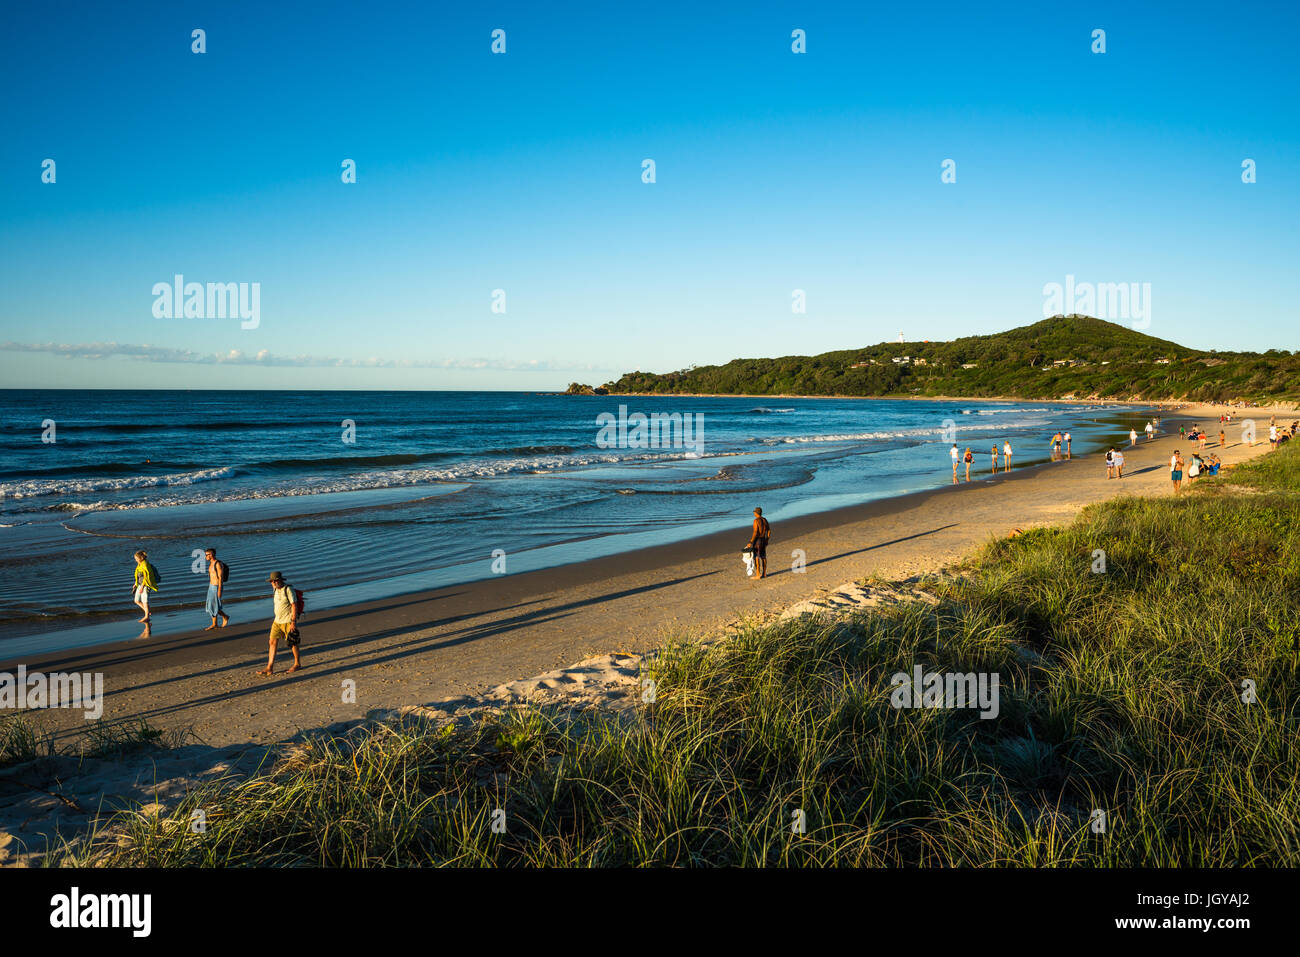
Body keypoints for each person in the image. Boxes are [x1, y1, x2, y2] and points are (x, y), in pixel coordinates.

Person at [258, 571, 302, 676]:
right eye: (272, 581)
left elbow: (294, 605)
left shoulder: (288, 589)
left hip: (288, 620)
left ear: (281, 580)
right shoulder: (275, 590)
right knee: (272, 642)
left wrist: (293, 622)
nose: (273, 583)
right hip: (277, 621)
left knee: (292, 642)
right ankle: (270, 667)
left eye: (275, 581)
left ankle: (297, 663)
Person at [204, 547, 229, 630]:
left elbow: (220, 578)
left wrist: (219, 590)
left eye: (207, 555)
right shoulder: (211, 563)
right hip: (211, 587)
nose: (205, 557)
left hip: (216, 587)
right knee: (210, 606)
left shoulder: (218, 564)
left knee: (214, 606)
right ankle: (214, 624)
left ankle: (225, 616)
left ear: (211, 555)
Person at [132, 549, 160, 623]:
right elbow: (138, 576)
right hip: (139, 584)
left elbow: (146, 577)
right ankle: (147, 611)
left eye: (136, 558)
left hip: (146, 585)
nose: (135, 560)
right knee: (136, 600)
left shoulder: (145, 565)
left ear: (141, 558)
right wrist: (135, 583)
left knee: (145, 601)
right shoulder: (139, 565)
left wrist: (142, 587)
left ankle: (146, 617)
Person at [746, 507, 771, 580]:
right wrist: (767, 539)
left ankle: (758, 574)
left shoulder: (756, 521)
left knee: (756, 557)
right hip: (763, 539)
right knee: (763, 557)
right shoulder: (764, 520)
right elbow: (769, 531)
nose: (754, 513)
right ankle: (764, 573)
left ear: (756, 513)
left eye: (754, 512)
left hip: (758, 540)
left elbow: (755, 532)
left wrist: (751, 541)